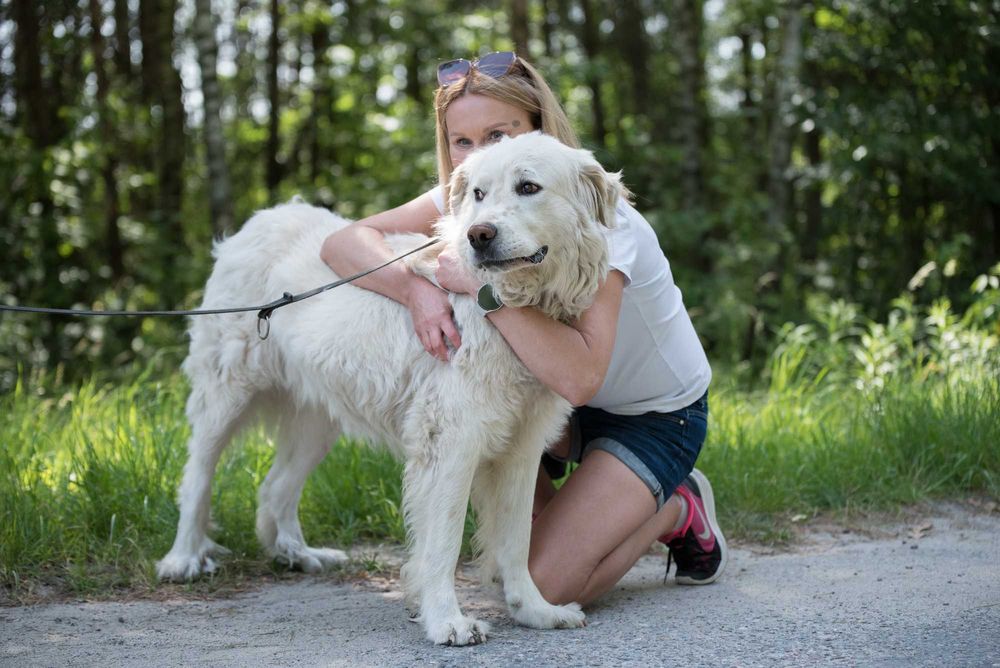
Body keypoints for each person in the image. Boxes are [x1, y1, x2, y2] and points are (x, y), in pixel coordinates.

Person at [320, 51, 726, 606]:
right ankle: (590, 503)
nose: (480, 153)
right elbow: (344, 242)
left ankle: (676, 508)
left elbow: (580, 378)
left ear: (537, 126)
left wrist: (476, 288)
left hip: (649, 415)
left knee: (550, 585)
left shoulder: (600, 214)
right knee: (504, 568)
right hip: (550, 408)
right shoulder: (481, 194)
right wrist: (415, 291)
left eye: (498, 133)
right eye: (462, 142)